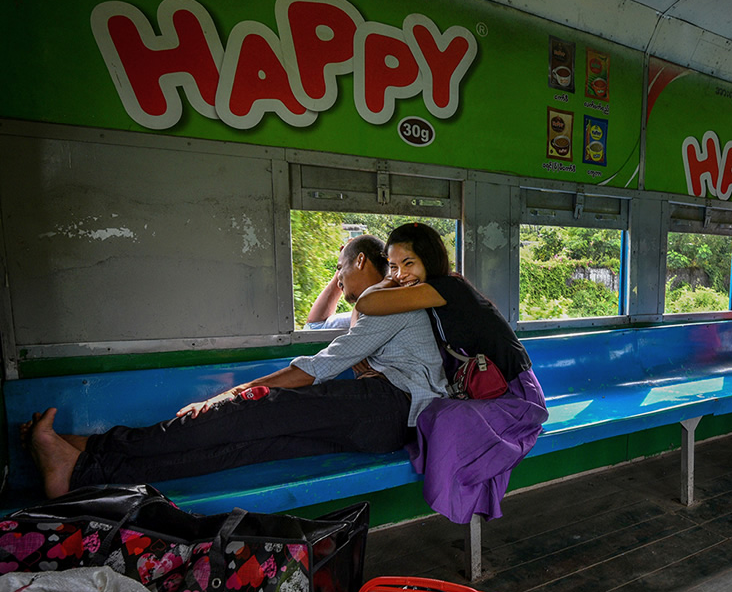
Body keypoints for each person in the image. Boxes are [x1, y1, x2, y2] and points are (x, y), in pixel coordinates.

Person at [25, 235, 448, 499]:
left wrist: (230, 394)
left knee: (251, 409)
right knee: (246, 448)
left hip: (389, 407)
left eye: (340, 271)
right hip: (390, 427)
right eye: (392, 268)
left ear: (358, 264)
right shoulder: (383, 305)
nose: (339, 282)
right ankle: (82, 472)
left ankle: (93, 446)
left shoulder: (392, 303)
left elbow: (315, 369)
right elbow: (325, 333)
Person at [353, 223, 548, 523]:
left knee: (446, 421)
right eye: (392, 266)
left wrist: (388, 283)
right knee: (431, 415)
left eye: (409, 264)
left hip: (515, 394)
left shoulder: (446, 288)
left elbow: (366, 303)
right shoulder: (428, 299)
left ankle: (466, 501)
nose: (400, 274)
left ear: (429, 261)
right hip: (481, 392)